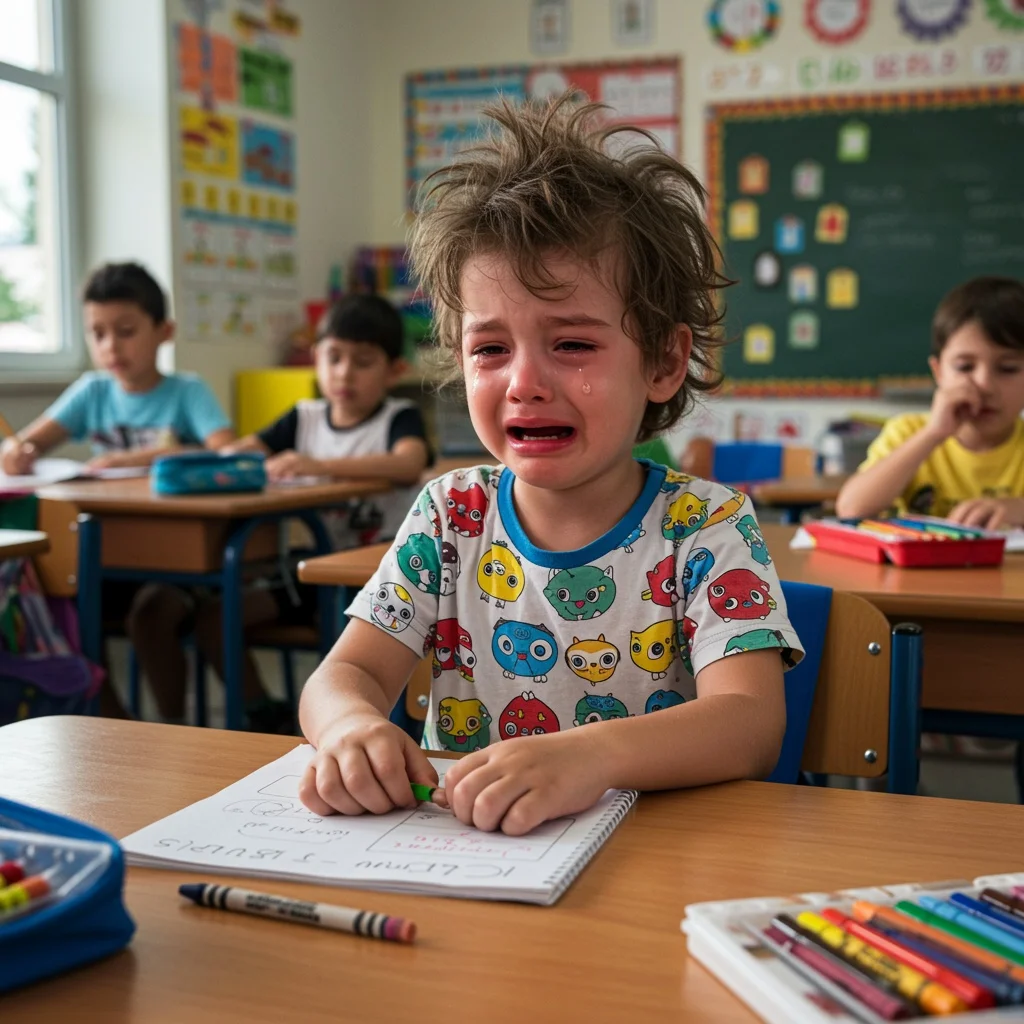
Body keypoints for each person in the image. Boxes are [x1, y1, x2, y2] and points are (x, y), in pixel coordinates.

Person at [296, 95, 804, 836]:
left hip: (649, 865)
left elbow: (750, 722)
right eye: (490, 349)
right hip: (467, 868)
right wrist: (347, 729)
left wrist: (590, 757)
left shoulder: (706, 525)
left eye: (571, 344)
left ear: (663, 361)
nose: (523, 382)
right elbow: (347, 675)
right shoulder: (450, 514)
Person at [0, 261, 233, 722]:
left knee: (150, 615)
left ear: (164, 331)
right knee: (66, 614)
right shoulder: (93, 391)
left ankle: (172, 729)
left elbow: (227, 453)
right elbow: (27, 444)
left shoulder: (186, 391)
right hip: (105, 558)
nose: (110, 346)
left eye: (125, 330)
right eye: (97, 333)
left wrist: (139, 459)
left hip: (176, 563)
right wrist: (18, 451)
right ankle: (117, 728)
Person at [195, 294, 432, 733]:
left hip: (375, 579)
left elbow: (408, 463)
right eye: (333, 357)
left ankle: (376, 728)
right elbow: (235, 455)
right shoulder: (303, 418)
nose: (344, 373)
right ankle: (267, 712)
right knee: (215, 618)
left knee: (356, 656)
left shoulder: (398, 418)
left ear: (394, 370)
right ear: (315, 360)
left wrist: (319, 466)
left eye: (362, 362)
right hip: (304, 575)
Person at [836, 277, 1024, 529]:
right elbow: (851, 508)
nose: (985, 384)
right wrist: (933, 434)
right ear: (939, 373)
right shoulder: (909, 431)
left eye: (1007, 368)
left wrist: (1016, 508)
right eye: (965, 367)